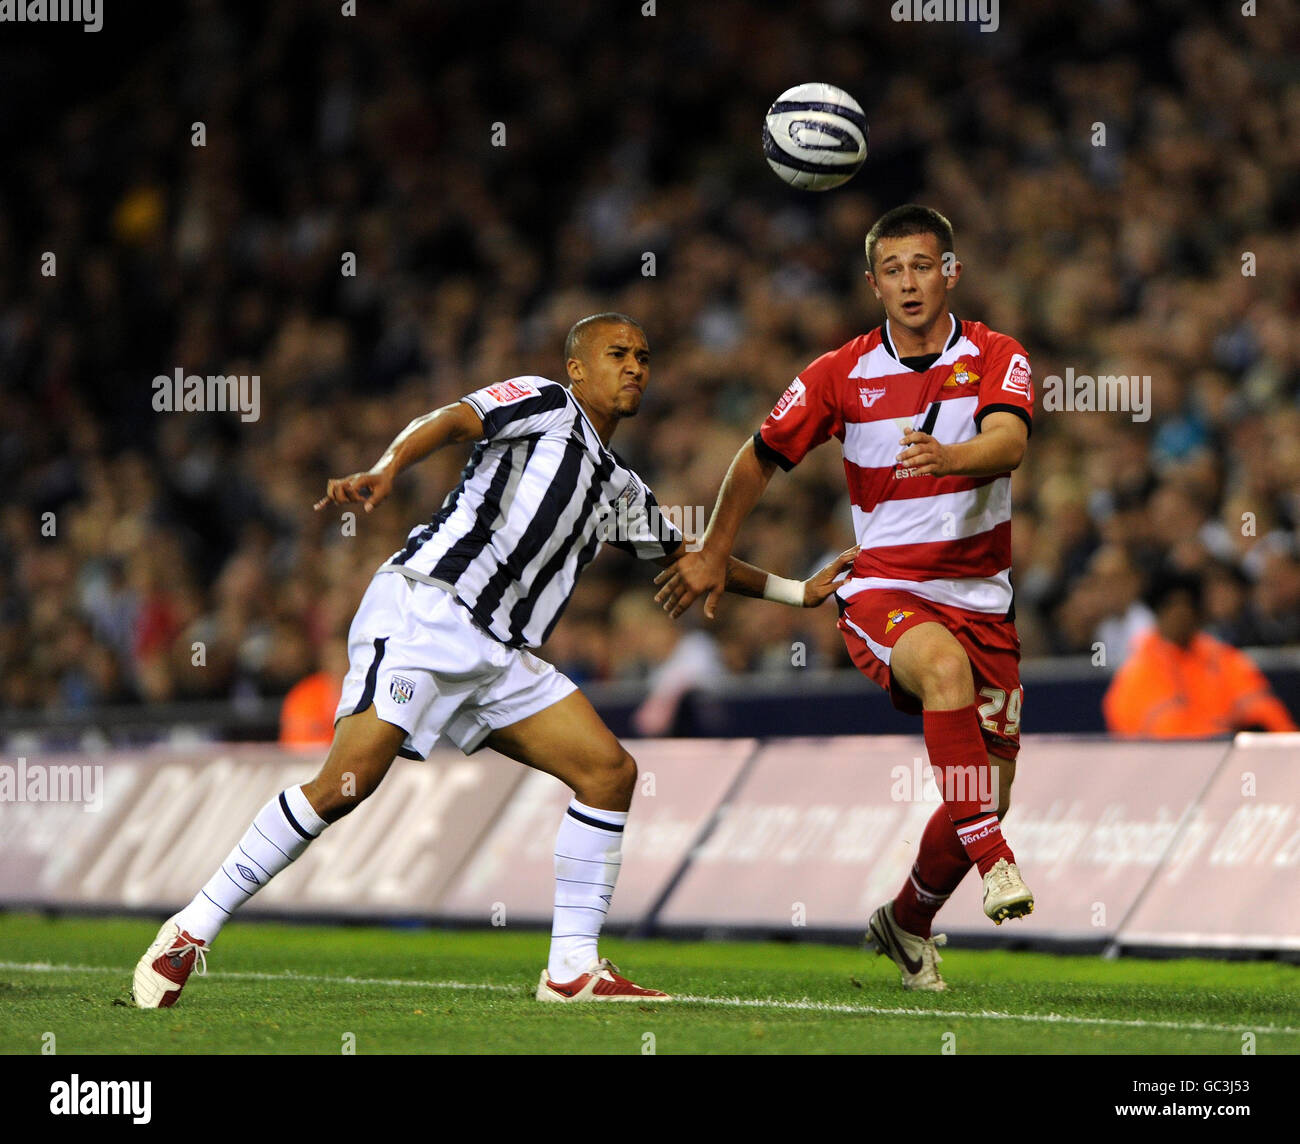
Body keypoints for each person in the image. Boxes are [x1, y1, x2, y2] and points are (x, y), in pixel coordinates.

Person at [132, 313, 855, 1007]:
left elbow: (693, 562)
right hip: (429, 610)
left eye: (643, 358)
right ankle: (192, 927)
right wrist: (387, 466)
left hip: (499, 652)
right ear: (577, 367)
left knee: (608, 773)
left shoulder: (621, 487)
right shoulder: (544, 401)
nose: (635, 367)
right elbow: (450, 419)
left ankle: (572, 969)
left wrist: (798, 593)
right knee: (347, 783)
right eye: (618, 354)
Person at [655, 206, 1036, 991]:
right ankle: (999, 862)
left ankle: (907, 921)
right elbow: (759, 456)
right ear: (872, 284)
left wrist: (949, 457)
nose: (908, 283)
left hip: (983, 598)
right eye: (892, 270)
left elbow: (1012, 444)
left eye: (922, 266)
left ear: (950, 272)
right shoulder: (838, 373)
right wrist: (717, 549)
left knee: (983, 795)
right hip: (885, 588)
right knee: (942, 673)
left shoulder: (998, 354)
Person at [1103, 569, 1297, 737]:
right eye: (1171, 606)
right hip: (1167, 771)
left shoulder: (1222, 658)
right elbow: (1170, 736)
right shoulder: (1138, 672)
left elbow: (1264, 710)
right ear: (1158, 613)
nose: (1182, 613)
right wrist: (1227, 735)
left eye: (1188, 605)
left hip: (1235, 762)